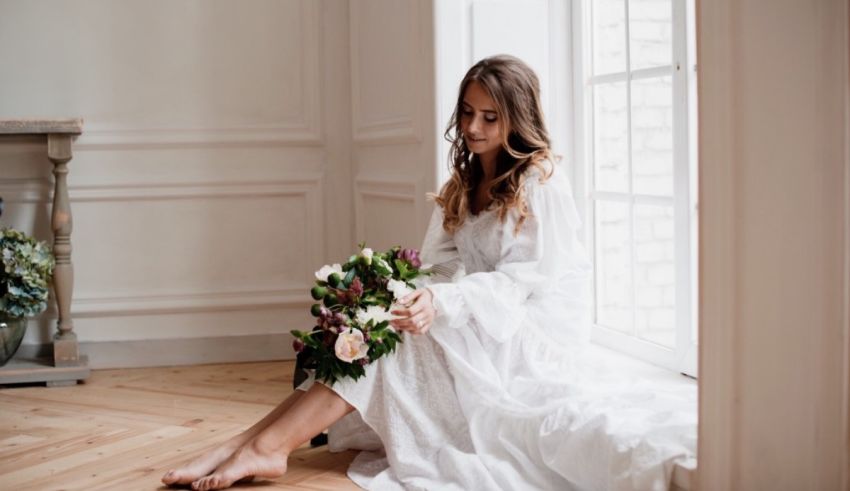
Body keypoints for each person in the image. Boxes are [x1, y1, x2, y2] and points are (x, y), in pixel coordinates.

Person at [162, 55, 696, 491]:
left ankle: (268, 446)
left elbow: (524, 282)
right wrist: (405, 298)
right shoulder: (464, 179)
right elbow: (440, 262)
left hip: (528, 334)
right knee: (374, 327)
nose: (473, 128)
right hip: (479, 314)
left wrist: (442, 303)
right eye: (467, 113)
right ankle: (247, 442)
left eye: (490, 117)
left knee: (393, 342)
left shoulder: (540, 181)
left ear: (517, 118)